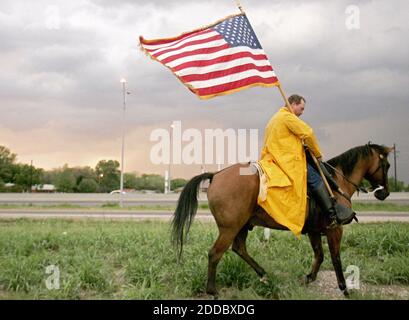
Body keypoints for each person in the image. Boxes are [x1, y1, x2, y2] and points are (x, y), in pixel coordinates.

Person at [257, 94, 353, 238]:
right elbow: (308, 133)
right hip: (288, 161)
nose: (302, 112)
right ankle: (332, 216)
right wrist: (318, 154)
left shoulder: (274, 119)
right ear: (293, 104)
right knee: (317, 180)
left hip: (273, 159)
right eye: (301, 108)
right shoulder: (287, 117)